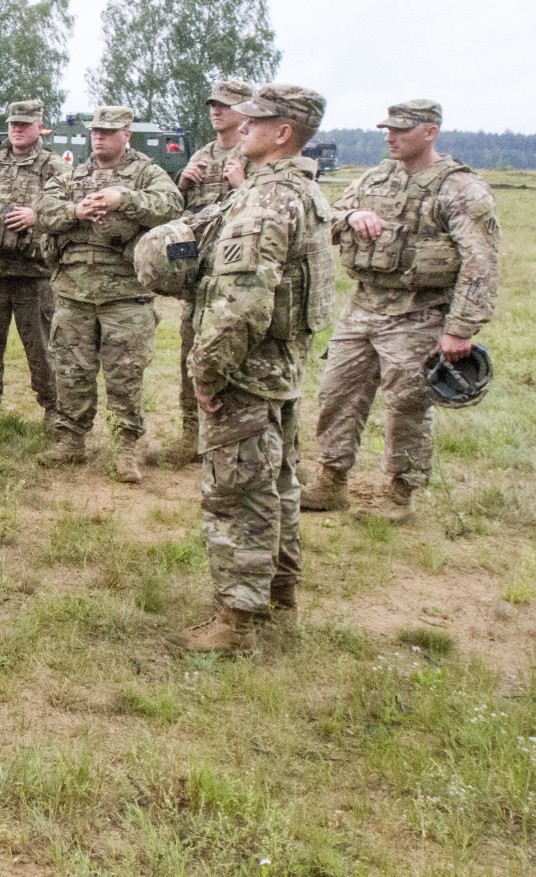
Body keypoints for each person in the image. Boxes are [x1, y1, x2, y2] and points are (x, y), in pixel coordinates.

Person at [165, 84, 333, 655]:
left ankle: (237, 621)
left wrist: (206, 375)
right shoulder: (303, 192)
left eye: (257, 120)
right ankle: (281, 600)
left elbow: (241, 304)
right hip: (281, 369)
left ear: (283, 132)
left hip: (246, 373)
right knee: (279, 485)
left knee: (238, 494)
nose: (242, 126)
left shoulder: (264, 201)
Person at [302, 100, 500, 520]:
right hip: (363, 307)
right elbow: (327, 218)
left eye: (401, 130)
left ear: (430, 132)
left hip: (419, 312)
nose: (390, 137)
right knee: (338, 393)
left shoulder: (460, 188)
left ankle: (399, 495)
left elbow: (480, 261)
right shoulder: (376, 178)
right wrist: (353, 214)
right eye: (387, 129)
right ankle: (331, 480)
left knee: (407, 404)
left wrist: (460, 329)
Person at [33, 106, 184, 483]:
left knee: (125, 375)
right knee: (72, 372)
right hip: (73, 292)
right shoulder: (74, 176)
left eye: (108, 131)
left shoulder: (147, 173)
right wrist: (76, 210)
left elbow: (172, 205)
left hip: (125, 295)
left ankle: (126, 446)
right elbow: (42, 210)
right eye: (95, 131)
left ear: (126, 134)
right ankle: (71, 439)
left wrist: (123, 199)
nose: (98, 137)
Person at [169, 80, 255, 464]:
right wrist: (182, 184)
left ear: (245, 110)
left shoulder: (253, 154)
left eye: (225, 105)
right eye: (213, 105)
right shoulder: (202, 154)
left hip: (238, 274)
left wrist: (242, 185)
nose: (216, 111)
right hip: (201, 275)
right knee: (192, 351)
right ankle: (192, 433)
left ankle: (234, 435)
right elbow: (180, 216)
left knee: (236, 355)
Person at [0, 100, 67, 430]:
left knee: (42, 347)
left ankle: (53, 407)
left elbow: (72, 207)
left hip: (34, 274)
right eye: (13, 123)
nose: (17, 129)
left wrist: (37, 216)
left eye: (25, 124)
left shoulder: (54, 167)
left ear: (40, 126)